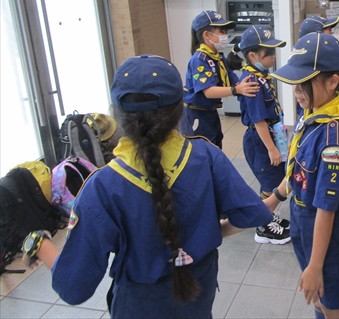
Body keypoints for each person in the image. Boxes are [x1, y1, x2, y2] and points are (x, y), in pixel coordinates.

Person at [22, 55, 273, 318]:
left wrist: (41, 245)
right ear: (180, 108)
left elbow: (74, 286)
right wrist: (203, 236)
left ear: (116, 114)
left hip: (140, 305)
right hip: (199, 292)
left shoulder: (103, 186)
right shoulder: (206, 156)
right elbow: (251, 214)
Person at [265, 33, 339, 319]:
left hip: (329, 234)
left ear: (333, 82)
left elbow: (327, 208)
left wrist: (316, 264)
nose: (296, 89)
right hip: (306, 222)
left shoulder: (335, 139)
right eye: (294, 80)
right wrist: (273, 200)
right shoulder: (312, 114)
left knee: (332, 306)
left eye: (304, 81)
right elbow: (298, 172)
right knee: (318, 299)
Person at [227, 25, 291, 245]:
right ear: (252, 55)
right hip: (261, 140)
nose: (273, 56)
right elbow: (258, 120)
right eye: (268, 53)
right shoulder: (252, 82)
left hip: (271, 135)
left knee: (272, 179)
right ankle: (263, 226)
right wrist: (271, 148)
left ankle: (267, 216)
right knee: (268, 182)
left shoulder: (260, 74)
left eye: (274, 51)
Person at [180, 10, 260, 148]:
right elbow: (208, 91)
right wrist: (237, 90)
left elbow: (230, 75)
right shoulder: (199, 60)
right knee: (203, 150)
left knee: (216, 143)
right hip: (196, 114)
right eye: (221, 32)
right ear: (207, 35)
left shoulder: (217, 56)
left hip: (210, 111)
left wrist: (243, 85)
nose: (225, 36)